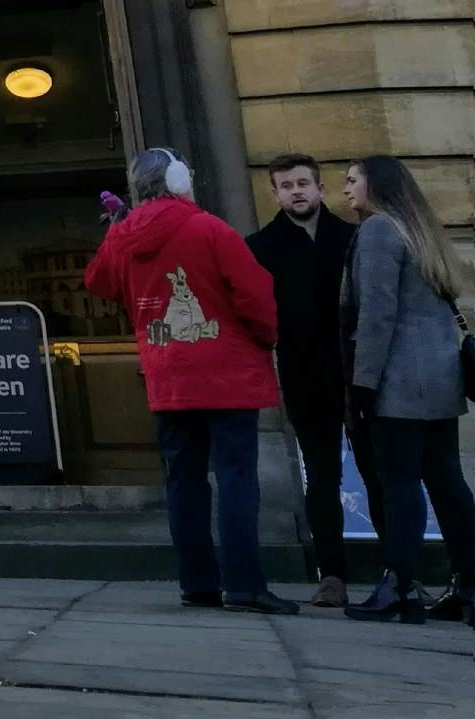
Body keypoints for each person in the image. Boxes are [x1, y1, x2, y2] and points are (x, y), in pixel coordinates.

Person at [85, 147, 296, 614]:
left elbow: (98, 283)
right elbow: (256, 296)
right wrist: (266, 340)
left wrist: (118, 227)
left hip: (169, 375)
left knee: (183, 481)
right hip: (226, 373)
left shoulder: (125, 236)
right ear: (180, 179)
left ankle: (197, 583)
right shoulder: (210, 229)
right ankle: (244, 584)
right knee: (237, 477)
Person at [339, 157, 475, 625]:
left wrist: (362, 383)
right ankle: (469, 585)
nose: (346, 190)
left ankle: (399, 587)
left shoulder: (379, 230)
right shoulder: (422, 230)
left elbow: (377, 315)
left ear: (376, 185)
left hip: (398, 381)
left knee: (398, 486)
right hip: (439, 378)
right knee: (448, 485)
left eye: (352, 180)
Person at [246, 155, 363, 607]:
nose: (296, 192)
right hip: (304, 375)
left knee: (377, 472)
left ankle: (399, 571)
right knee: (322, 476)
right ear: (274, 194)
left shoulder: (352, 239)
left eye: (302, 183)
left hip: (358, 375)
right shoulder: (260, 247)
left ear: (319, 188)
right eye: (286, 185)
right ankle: (332, 574)